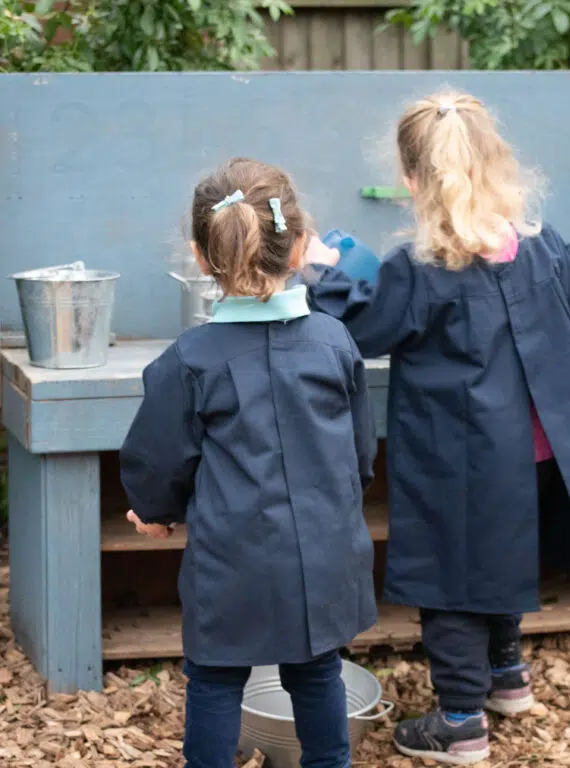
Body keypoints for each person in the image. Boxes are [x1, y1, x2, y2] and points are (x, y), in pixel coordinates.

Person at [301, 90, 570, 766]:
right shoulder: (535, 244)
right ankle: (506, 677)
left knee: (451, 575)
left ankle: (461, 722)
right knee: (499, 555)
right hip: (533, 446)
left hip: (463, 455)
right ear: (497, 165)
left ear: (412, 182)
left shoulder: (421, 269)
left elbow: (362, 329)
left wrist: (325, 274)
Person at [119, 157, 377, 768]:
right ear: (298, 250)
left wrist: (155, 513)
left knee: (215, 680)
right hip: (322, 551)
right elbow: (360, 449)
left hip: (231, 559)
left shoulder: (190, 360)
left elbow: (160, 457)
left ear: (201, 257)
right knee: (316, 675)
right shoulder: (333, 341)